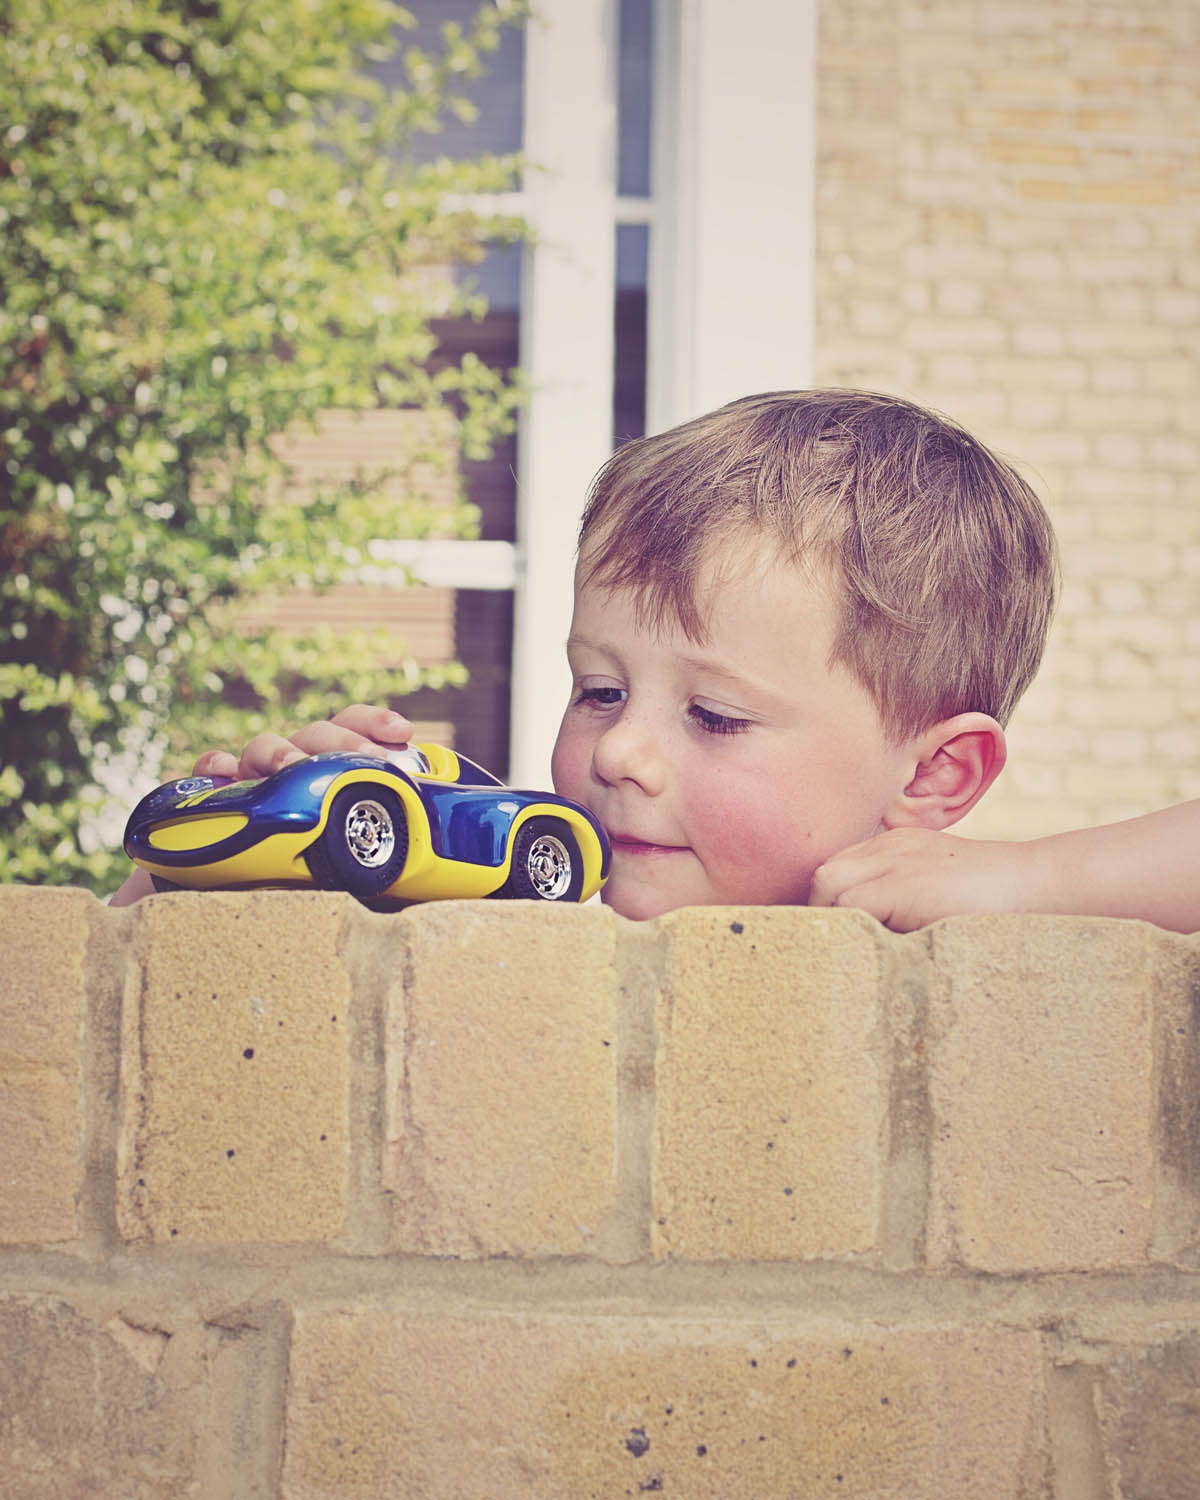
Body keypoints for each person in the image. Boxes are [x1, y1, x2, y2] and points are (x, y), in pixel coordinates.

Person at [110, 389, 1199, 933]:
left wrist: (1043, 880)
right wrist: (231, 871)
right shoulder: (517, 913)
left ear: (932, 775)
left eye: (714, 716)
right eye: (599, 690)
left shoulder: (949, 934)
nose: (618, 752)